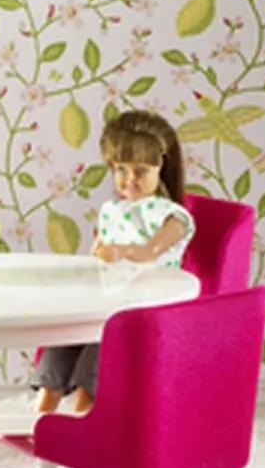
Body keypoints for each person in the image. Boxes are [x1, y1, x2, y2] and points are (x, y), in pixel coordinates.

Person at [30, 109, 196, 416]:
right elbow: (101, 251)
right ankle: (43, 412)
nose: (129, 179)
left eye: (140, 170)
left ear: (161, 167)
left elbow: (150, 250)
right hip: (110, 298)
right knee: (66, 335)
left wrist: (120, 251)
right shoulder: (113, 209)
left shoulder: (172, 217)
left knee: (100, 340)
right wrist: (99, 253)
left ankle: (85, 412)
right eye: (121, 169)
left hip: (146, 306)